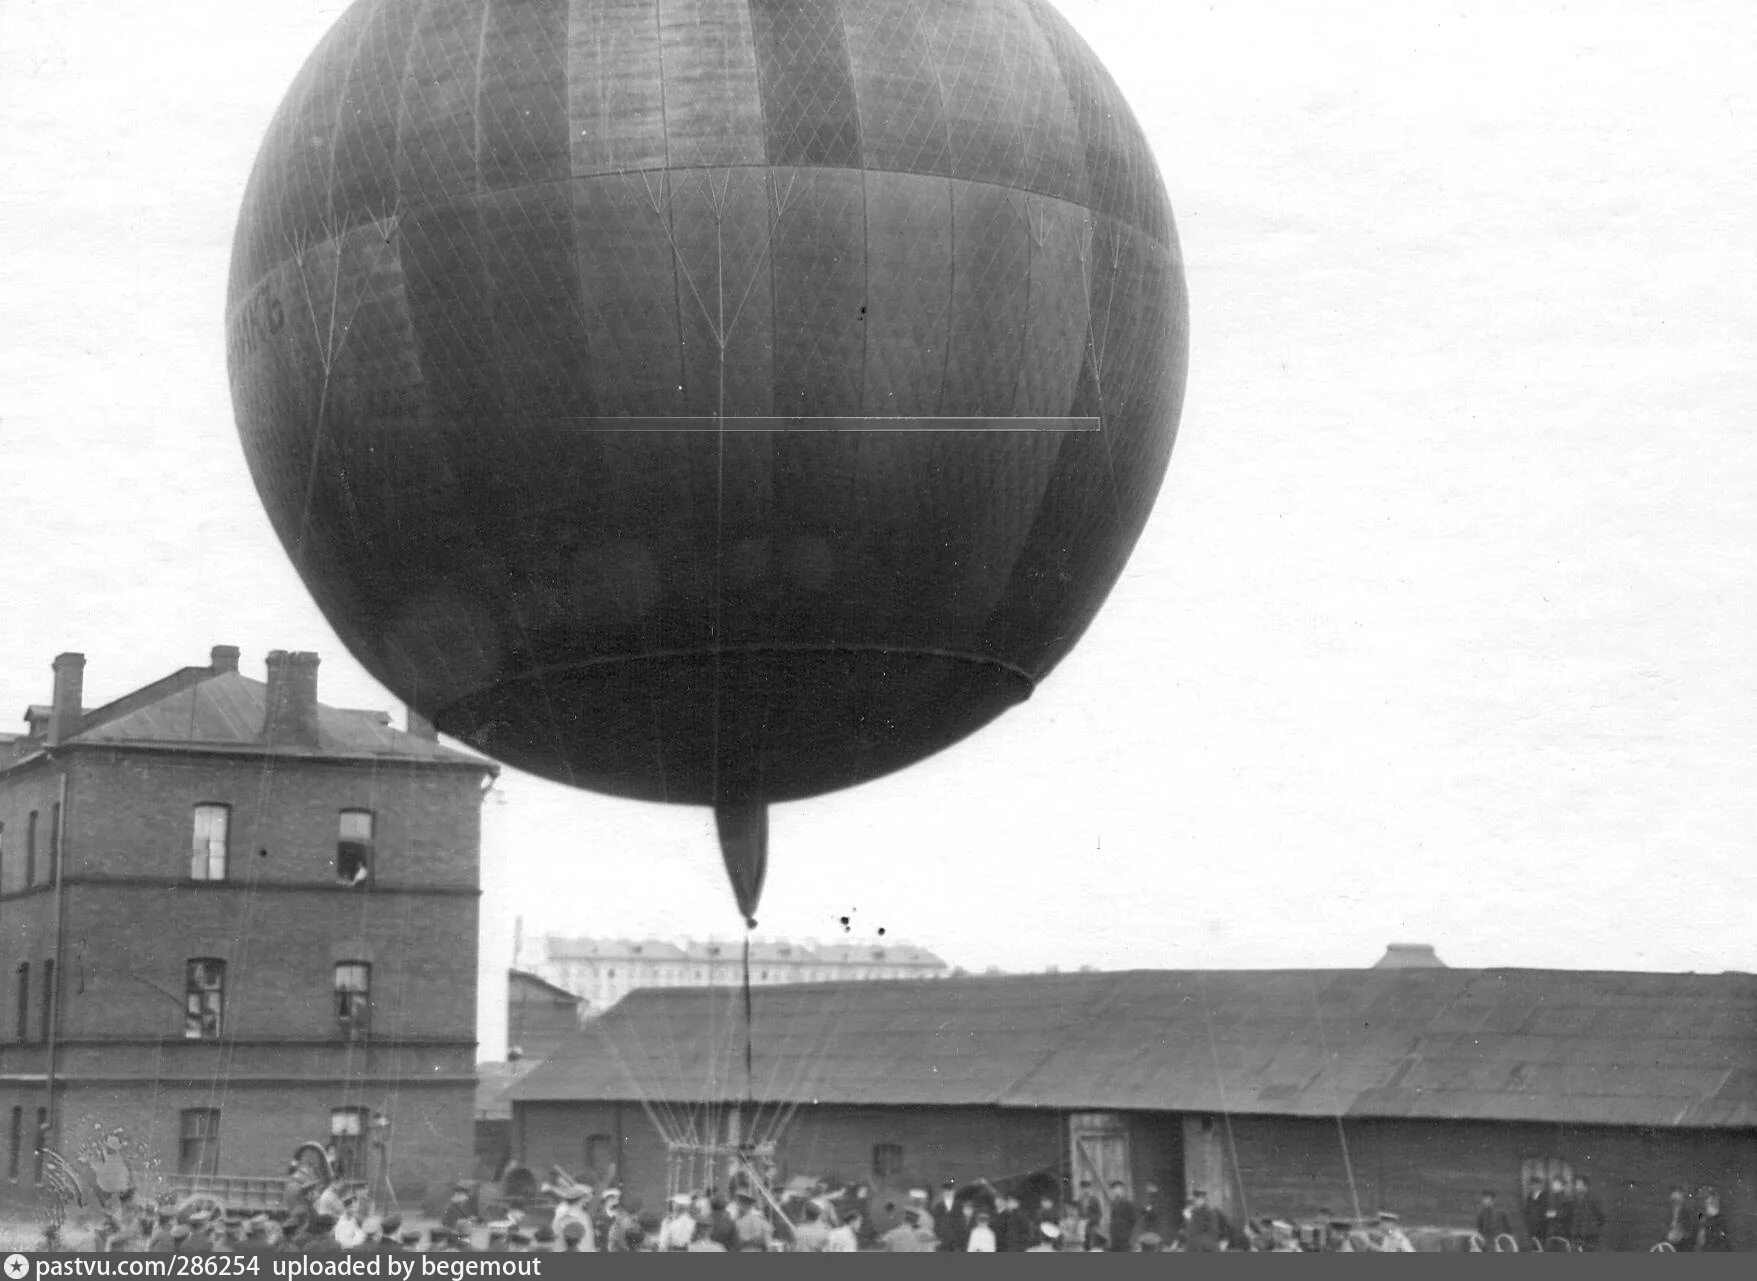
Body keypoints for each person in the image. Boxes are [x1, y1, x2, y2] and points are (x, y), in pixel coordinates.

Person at [1570, 1177, 1604, 1251]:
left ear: (1585, 1186)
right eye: (1576, 1185)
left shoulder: (1593, 1199)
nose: (1577, 1187)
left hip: (1590, 1237)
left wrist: (1592, 1229)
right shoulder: (1575, 1199)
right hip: (1577, 1236)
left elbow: (1601, 1217)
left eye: (1579, 1185)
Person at [931, 1179, 964, 1252]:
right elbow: (935, 1224)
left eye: (950, 1191)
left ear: (953, 1192)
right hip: (941, 1242)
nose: (948, 1193)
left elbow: (961, 1224)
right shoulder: (938, 1207)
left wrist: (959, 1241)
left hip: (954, 1243)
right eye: (946, 1191)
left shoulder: (958, 1206)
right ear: (943, 1192)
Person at [1107, 1180, 1137, 1251]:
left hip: (1124, 1239)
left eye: (1117, 1189)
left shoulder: (1128, 1204)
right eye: (1113, 1189)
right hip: (1114, 1238)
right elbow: (1113, 1220)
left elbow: (1133, 1221)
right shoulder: (1113, 1204)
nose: (1115, 1191)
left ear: (1122, 1190)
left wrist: (1127, 1235)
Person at [1664, 1185, 1694, 1251]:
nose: (1675, 1196)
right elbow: (1663, 1228)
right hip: (1667, 1245)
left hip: (1681, 1245)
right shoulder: (1667, 1212)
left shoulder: (1687, 1213)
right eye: (1674, 1193)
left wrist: (1680, 1233)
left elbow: (1689, 1231)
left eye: (1679, 1194)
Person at [1521, 1176, 1549, 1248]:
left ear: (1540, 1185)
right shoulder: (1529, 1197)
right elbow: (1526, 1212)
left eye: (1535, 1184)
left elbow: (1545, 1211)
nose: (1533, 1187)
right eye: (1532, 1185)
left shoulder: (1545, 1196)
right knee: (1534, 1247)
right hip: (1531, 1228)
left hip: (1542, 1228)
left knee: (1542, 1247)